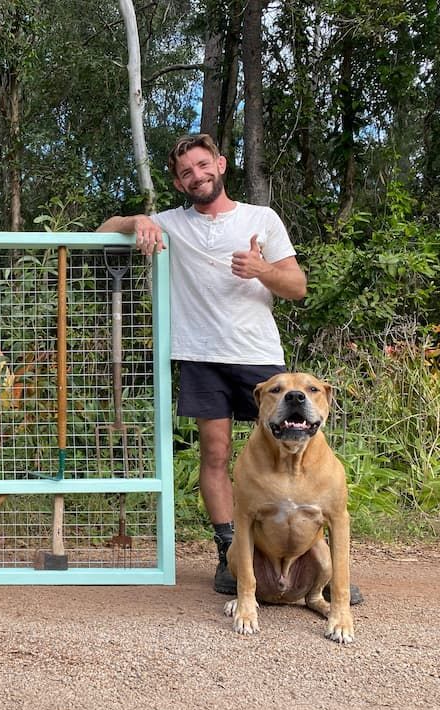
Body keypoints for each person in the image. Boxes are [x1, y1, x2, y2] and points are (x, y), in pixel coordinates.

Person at [98, 133, 309, 596]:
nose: (197, 175)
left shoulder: (261, 218)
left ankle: (306, 558)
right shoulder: (170, 223)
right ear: (178, 183)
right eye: (186, 172)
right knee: (215, 456)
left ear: (221, 164)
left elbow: (297, 286)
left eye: (202, 165)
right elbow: (102, 231)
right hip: (199, 356)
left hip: (259, 357)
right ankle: (230, 555)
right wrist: (138, 221)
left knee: (291, 454)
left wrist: (262, 271)